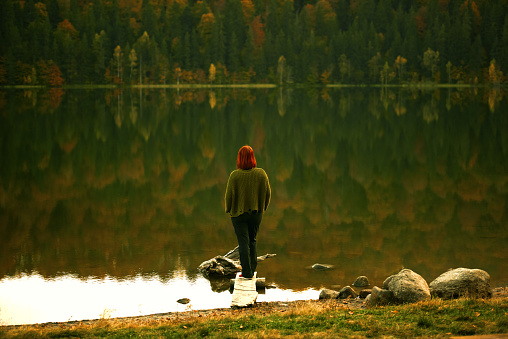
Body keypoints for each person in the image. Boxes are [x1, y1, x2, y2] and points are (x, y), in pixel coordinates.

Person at [225, 145, 271, 279]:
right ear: (253, 158)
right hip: (256, 213)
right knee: (252, 240)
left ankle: (246, 273)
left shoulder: (234, 175)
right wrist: (263, 207)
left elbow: (228, 196)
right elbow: (268, 193)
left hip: (238, 215)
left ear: (239, 159)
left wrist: (228, 209)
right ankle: (252, 270)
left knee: (243, 243)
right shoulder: (261, 173)